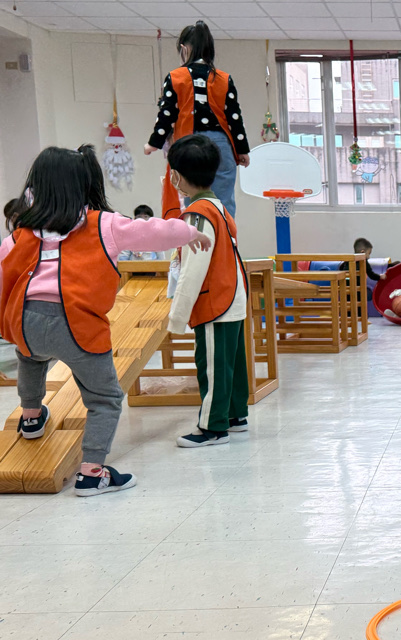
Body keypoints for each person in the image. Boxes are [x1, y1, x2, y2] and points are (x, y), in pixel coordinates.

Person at [0, 145, 208, 495]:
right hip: (76, 324)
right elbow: (152, 231)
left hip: (26, 320)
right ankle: (93, 473)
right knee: (105, 398)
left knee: (29, 356)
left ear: (36, 187)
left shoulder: (21, 233)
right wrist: (190, 233)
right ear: (85, 184)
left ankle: (31, 416)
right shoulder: (103, 224)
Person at [164, 135, 249, 448]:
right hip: (233, 296)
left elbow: (193, 270)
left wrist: (177, 316)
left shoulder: (197, 214)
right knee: (231, 364)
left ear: (177, 176)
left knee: (212, 365)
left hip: (216, 300)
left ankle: (213, 428)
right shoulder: (219, 206)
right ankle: (235, 415)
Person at [144, 21, 250, 220]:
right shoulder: (224, 79)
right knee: (224, 204)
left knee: (195, 202)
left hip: (191, 145)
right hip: (222, 145)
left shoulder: (175, 77)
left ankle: (198, 237)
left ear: (184, 49)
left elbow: (167, 114)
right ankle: (226, 237)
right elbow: (235, 118)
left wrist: (153, 143)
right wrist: (242, 149)